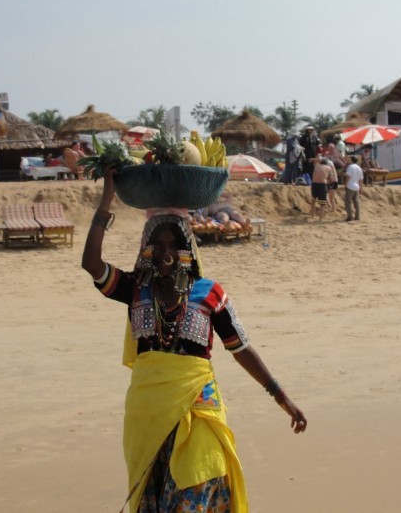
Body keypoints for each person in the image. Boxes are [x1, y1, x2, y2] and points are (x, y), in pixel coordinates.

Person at [81, 168, 306, 511]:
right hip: (149, 413)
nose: (166, 252)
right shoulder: (136, 289)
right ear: (147, 249)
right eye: (158, 244)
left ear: (187, 248)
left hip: (200, 406)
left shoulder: (209, 293)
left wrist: (281, 396)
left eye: (175, 244)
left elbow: (240, 348)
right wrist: (106, 200)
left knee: (199, 486)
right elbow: (91, 263)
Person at [344, 155, 363, 222]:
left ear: (351, 160)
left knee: (348, 202)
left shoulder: (350, 167)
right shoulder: (359, 168)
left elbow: (348, 176)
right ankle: (357, 216)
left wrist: (345, 185)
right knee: (356, 202)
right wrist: (361, 188)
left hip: (350, 186)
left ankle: (350, 216)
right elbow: (361, 179)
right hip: (356, 187)